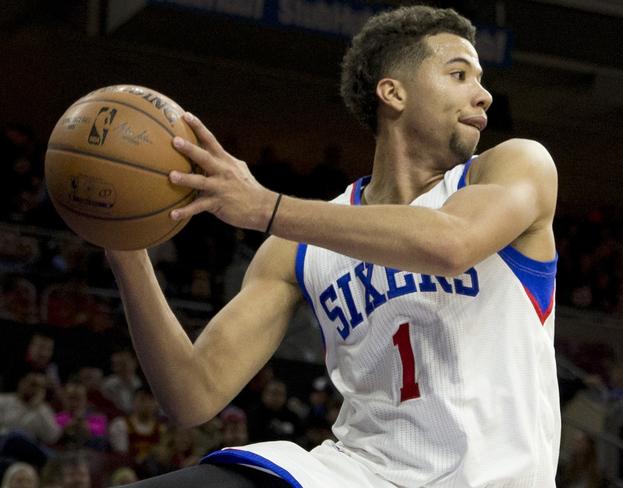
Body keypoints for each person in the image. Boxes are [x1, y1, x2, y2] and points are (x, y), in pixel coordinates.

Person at [106, 5, 560, 487]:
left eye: (480, 78)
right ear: (393, 91)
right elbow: (192, 392)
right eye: (459, 73)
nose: (484, 95)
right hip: (359, 473)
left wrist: (266, 207)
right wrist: (124, 246)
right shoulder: (297, 249)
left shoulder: (517, 165)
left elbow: (452, 243)